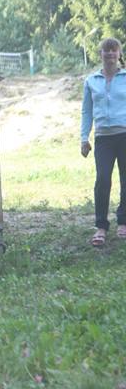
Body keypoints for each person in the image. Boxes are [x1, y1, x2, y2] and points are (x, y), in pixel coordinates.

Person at [80, 37, 126, 247]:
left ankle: (123, 222)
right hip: (103, 138)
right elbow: (86, 111)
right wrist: (84, 138)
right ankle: (101, 226)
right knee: (103, 179)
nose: (110, 54)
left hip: (124, 134)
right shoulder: (91, 81)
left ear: (119, 54)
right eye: (106, 50)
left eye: (113, 50)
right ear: (100, 54)